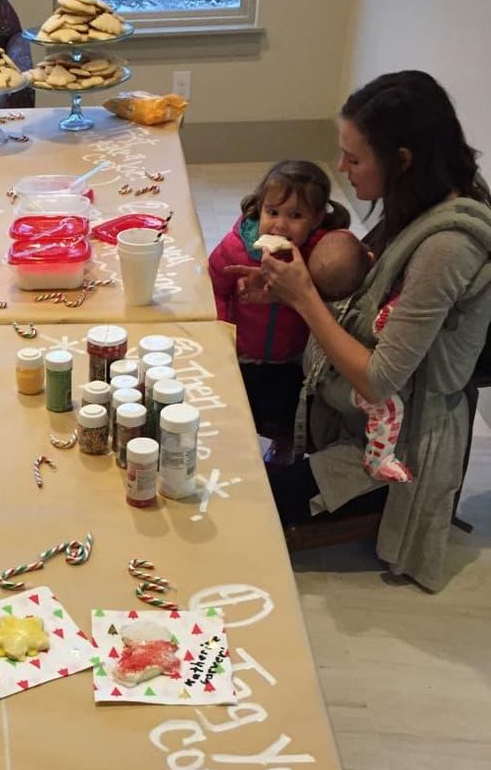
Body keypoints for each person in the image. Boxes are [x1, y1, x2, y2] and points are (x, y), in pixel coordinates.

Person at [226, 71, 491, 591]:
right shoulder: (415, 204)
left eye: (353, 158)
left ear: (403, 160)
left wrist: (304, 299)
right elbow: (363, 299)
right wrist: (286, 292)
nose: (341, 168)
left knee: (246, 506)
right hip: (339, 398)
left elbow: (380, 379)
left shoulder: (446, 247)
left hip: (389, 442)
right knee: (222, 385)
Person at [208, 160, 354, 440]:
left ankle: (282, 444)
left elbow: (333, 298)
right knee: (243, 408)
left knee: (285, 413)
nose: (280, 225)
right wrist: (224, 333)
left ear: (317, 218)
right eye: (272, 212)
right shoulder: (236, 248)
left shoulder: (320, 256)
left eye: (296, 215)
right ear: (260, 207)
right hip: (244, 353)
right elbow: (214, 287)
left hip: (294, 358)